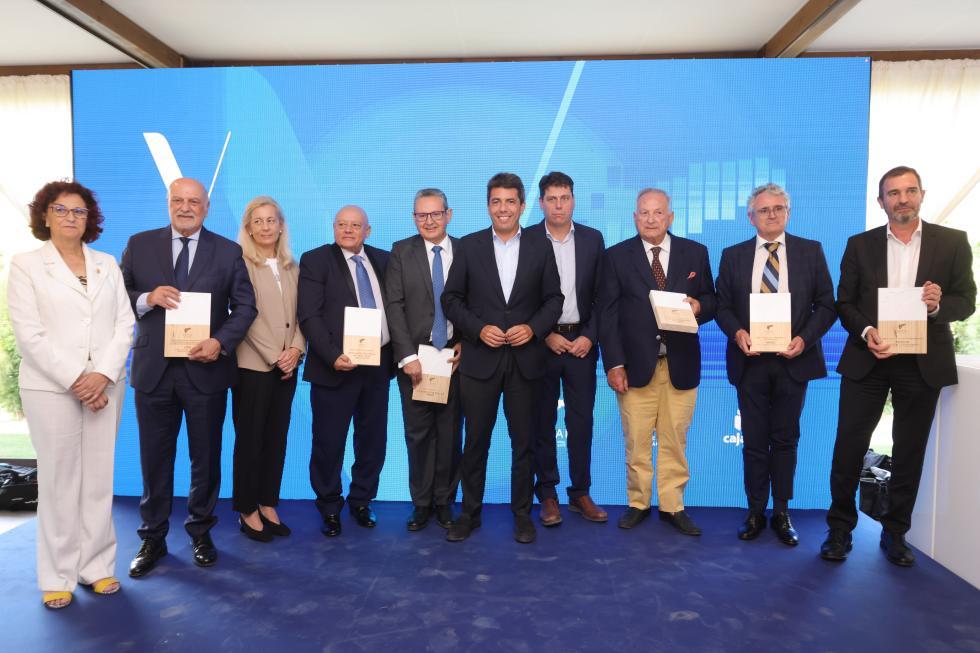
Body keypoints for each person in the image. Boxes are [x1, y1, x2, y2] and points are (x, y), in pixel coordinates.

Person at [821, 166, 976, 566]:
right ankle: (839, 529)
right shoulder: (859, 245)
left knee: (909, 450)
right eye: (893, 193)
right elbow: (844, 302)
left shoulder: (953, 242)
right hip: (868, 359)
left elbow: (967, 301)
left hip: (922, 363)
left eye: (909, 191)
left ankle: (895, 532)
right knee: (848, 447)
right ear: (881, 201)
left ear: (922, 194)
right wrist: (867, 331)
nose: (902, 199)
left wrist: (938, 306)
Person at [7, 181, 134, 609]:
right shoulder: (26, 265)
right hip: (52, 388)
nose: (70, 218)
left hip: (105, 385)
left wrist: (102, 375)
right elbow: (30, 334)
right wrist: (78, 379)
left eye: (79, 211)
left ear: (89, 219)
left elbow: (124, 324)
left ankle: (96, 567)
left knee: (98, 480)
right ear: (45, 215)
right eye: (60, 210)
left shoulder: (106, 264)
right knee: (59, 482)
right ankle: (57, 575)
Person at [121, 177, 256, 577]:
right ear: (168, 203)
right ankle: (153, 537)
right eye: (178, 200)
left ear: (206, 208)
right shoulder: (139, 244)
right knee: (154, 459)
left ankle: (200, 531)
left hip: (206, 371)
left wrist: (220, 342)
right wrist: (147, 298)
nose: (185, 207)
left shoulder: (228, 251)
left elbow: (245, 307)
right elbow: (116, 296)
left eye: (194, 201)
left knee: (206, 458)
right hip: (154, 372)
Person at [442, 172, 564, 544]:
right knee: (475, 442)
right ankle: (470, 514)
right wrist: (478, 329)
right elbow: (451, 300)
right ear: (488, 206)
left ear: (522, 206)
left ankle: (522, 515)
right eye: (496, 201)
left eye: (510, 201)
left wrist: (534, 328)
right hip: (480, 361)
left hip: (526, 362)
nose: (503, 208)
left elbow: (554, 300)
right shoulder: (469, 246)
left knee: (523, 443)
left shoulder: (541, 246)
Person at [715, 183, 836, 546]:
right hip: (749, 362)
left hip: (793, 362)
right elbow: (722, 306)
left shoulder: (810, 251)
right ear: (750, 217)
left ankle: (782, 511)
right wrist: (737, 333)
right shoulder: (733, 255)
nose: (772, 215)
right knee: (753, 441)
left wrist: (805, 339)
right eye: (764, 210)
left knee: (785, 440)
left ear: (788, 212)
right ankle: (755, 511)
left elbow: (826, 304)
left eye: (778, 208)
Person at [598, 188, 716, 535]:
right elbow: (607, 315)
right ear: (635, 217)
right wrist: (614, 364)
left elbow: (712, 300)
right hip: (634, 367)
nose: (651, 219)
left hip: (681, 364)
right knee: (636, 441)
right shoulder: (616, 256)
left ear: (670, 217)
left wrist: (699, 306)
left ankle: (672, 505)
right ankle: (637, 503)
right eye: (644, 213)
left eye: (658, 212)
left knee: (674, 440)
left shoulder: (695, 252)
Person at [298, 205, 393, 537]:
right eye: (341, 224)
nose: (348, 230)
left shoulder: (384, 260)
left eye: (355, 225)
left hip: (377, 366)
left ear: (368, 230)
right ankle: (329, 506)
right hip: (334, 368)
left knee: (373, 441)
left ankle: (362, 501)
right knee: (329, 442)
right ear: (334, 227)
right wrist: (332, 355)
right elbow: (309, 315)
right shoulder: (316, 260)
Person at [525, 172, 607, 526]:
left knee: (581, 421)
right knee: (541, 421)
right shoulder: (526, 239)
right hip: (541, 345)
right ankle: (547, 494)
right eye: (552, 199)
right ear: (541, 203)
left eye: (565, 198)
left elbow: (604, 296)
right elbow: (519, 296)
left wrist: (590, 336)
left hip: (581, 344)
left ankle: (580, 492)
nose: (559, 205)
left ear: (573, 200)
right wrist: (544, 334)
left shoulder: (592, 239)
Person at [384, 189, 463, 531]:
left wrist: (467, 345)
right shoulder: (401, 251)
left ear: (449, 214)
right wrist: (405, 356)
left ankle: (444, 502)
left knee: (450, 434)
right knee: (417, 435)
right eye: (421, 215)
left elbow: (477, 302)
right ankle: (421, 503)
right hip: (415, 358)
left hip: (454, 358)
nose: (429, 221)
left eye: (435, 214)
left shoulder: (466, 250)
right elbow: (394, 306)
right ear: (414, 217)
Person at [232, 197, 305, 542]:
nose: (265, 227)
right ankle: (247, 509)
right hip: (253, 365)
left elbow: (304, 313)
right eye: (258, 221)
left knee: (277, 438)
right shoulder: (240, 264)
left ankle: (267, 502)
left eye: (271, 220)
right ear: (248, 228)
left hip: (288, 365)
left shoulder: (292, 266)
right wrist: (276, 356)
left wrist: (296, 350)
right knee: (251, 439)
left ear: (281, 225)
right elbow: (244, 316)